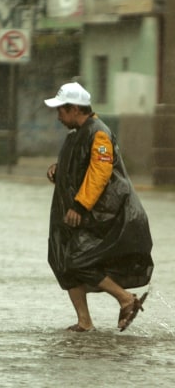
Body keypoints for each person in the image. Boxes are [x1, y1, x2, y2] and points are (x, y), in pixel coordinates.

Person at [44, 82, 154, 332]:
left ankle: (126, 299)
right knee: (62, 260)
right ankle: (85, 322)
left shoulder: (98, 133)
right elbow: (78, 166)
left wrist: (80, 207)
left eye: (60, 110)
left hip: (99, 215)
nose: (58, 116)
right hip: (72, 215)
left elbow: (100, 172)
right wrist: (58, 171)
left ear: (74, 109)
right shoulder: (76, 134)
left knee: (77, 260)